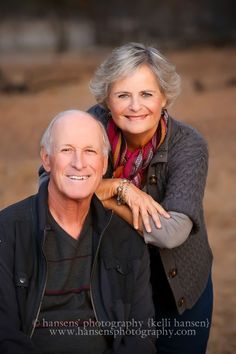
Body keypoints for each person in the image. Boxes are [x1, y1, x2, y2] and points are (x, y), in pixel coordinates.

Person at [88, 42, 213, 354]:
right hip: (110, 284)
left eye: (146, 94)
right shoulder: (88, 128)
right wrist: (122, 187)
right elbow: (52, 185)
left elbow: (171, 233)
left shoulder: (189, 145)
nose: (135, 106)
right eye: (123, 95)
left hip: (177, 287)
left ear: (164, 97)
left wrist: (105, 196)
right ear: (107, 99)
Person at [0, 110, 156, 354]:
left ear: (103, 164)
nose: (79, 163)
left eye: (90, 151)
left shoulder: (126, 240)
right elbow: (4, 334)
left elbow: (140, 338)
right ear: (46, 159)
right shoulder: (8, 231)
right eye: (66, 150)